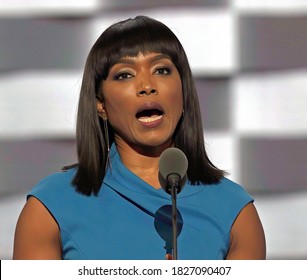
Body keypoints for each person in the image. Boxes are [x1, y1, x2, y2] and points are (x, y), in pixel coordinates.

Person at [13, 15, 266, 260]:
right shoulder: (51, 206)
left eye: (162, 70)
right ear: (100, 104)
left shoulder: (235, 211)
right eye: (125, 74)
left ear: (183, 92)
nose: (147, 85)